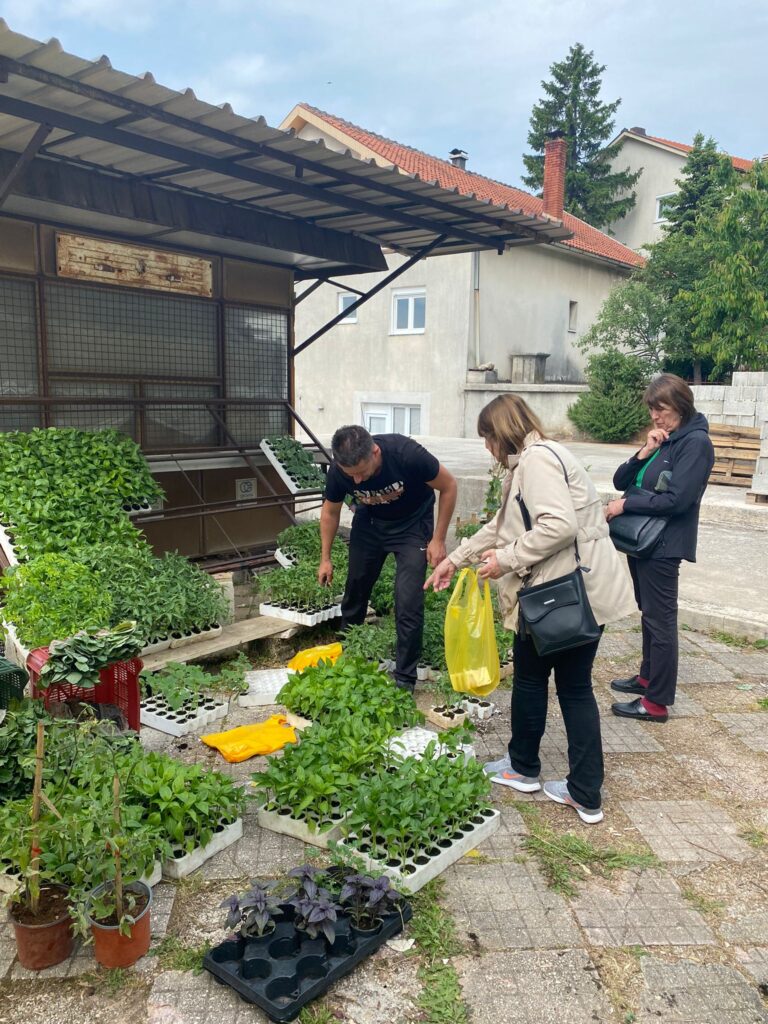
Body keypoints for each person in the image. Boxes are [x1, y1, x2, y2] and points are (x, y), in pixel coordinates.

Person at [425, 395, 635, 824]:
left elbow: (558, 525)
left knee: (546, 683)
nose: (487, 448)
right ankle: (579, 789)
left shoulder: (537, 461)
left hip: (559, 592)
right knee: (563, 685)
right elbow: (501, 526)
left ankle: (526, 768)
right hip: (581, 590)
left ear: (501, 432)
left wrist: (508, 559)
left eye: (487, 437)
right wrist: (456, 557)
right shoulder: (541, 456)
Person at [605, 373, 715, 723]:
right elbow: (621, 481)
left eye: (661, 409)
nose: (655, 416)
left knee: (662, 621)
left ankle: (656, 703)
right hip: (644, 542)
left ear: (680, 406)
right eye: (652, 409)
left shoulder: (695, 443)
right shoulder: (666, 440)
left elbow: (677, 500)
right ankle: (647, 677)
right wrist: (646, 449)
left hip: (664, 544)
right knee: (649, 614)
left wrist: (625, 506)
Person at [318, 425, 457, 692]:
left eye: (360, 472)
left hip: (412, 525)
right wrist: (325, 558)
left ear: (375, 452)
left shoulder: (406, 454)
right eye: (351, 476)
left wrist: (438, 539)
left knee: (408, 600)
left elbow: (449, 486)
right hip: (369, 523)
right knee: (355, 590)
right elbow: (330, 513)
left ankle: (405, 679)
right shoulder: (339, 471)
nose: (357, 481)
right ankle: (352, 661)